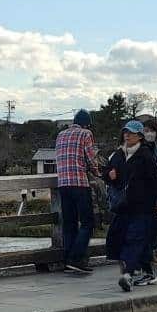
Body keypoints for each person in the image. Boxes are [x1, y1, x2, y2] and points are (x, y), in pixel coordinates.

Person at [113, 119, 157, 291]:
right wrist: (109, 174)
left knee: (135, 238)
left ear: (140, 136)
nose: (127, 135)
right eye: (125, 132)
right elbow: (110, 172)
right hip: (125, 205)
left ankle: (127, 274)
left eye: (131, 133)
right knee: (136, 241)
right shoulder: (121, 154)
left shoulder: (145, 155)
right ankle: (149, 273)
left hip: (144, 205)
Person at [54, 109, 99, 274]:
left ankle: (68, 260)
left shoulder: (60, 135)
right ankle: (77, 258)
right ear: (86, 124)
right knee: (88, 222)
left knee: (69, 223)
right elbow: (91, 159)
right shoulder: (86, 134)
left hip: (63, 184)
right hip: (80, 183)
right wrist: (97, 172)